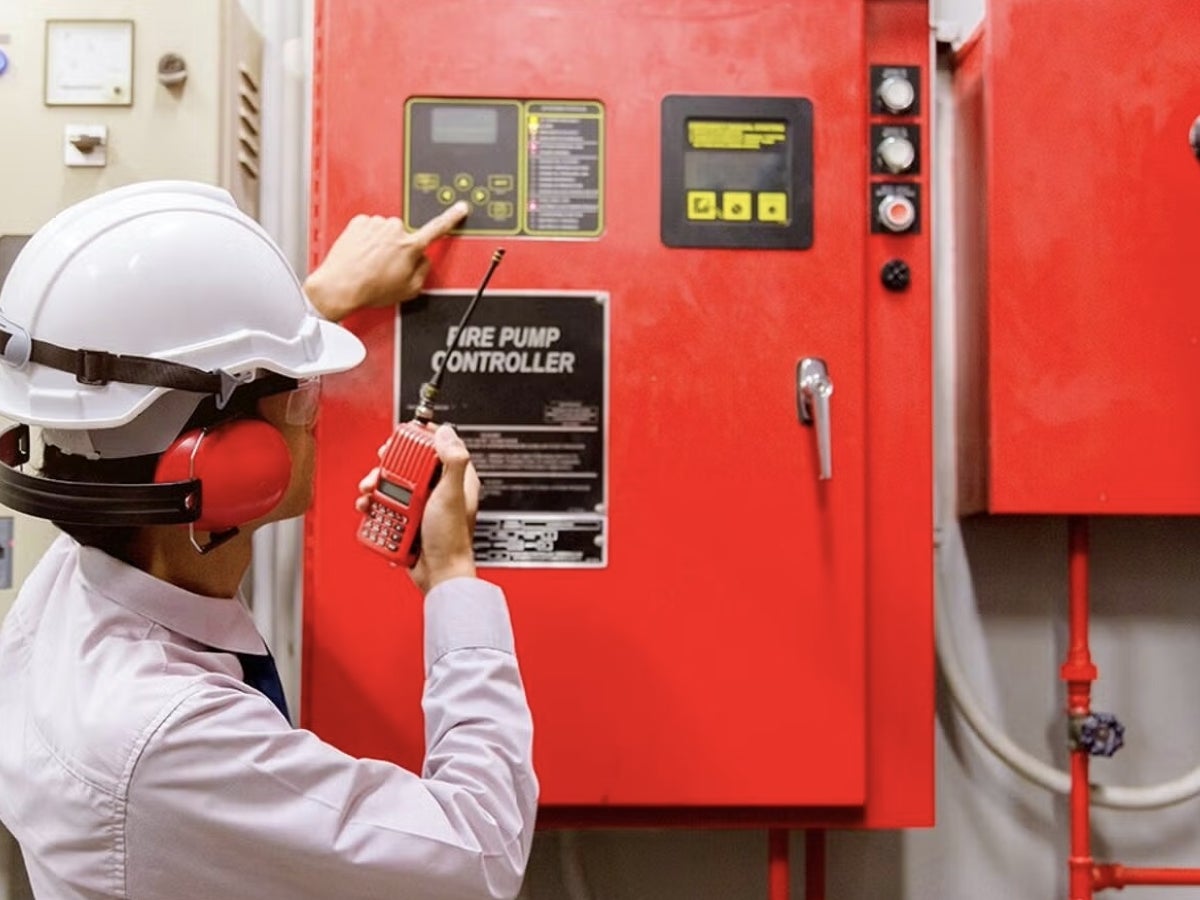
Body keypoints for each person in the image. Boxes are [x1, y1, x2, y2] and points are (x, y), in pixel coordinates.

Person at [0, 181, 538, 899]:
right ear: (232, 463)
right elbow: (479, 856)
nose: (318, 410)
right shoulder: (174, 739)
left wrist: (315, 299)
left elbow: (157, 391)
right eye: (304, 390)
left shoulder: (67, 587)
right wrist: (452, 576)